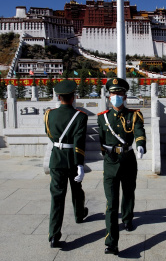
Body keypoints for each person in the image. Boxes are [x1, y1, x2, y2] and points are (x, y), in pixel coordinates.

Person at [97, 78, 147, 255]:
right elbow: (101, 139)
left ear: (125, 96)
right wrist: (106, 153)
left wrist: (141, 144)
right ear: (109, 96)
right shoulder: (102, 117)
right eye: (113, 93)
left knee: (128, 192)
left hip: (127, 160)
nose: (116, 96)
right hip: (110, 162)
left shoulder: (134, 115)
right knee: (111, 204)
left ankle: (127, 218)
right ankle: (111, 243)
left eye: (119, 93)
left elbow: (139, 130)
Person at [44, 80, 88, 248]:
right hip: (72, 158)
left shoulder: (49, 115)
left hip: (56, 158)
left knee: (57, 197)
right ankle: (79, 214)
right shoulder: (80, 116)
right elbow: (79, 142)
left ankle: (54, 235)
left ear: (58, 96)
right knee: (77, 189)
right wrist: (80, 165)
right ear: (73, 97)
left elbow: (49, 133)